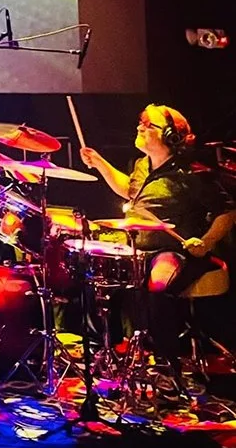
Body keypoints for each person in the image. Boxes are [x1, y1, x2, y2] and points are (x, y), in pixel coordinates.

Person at [81, 104, 236, 365]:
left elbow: (228, 212)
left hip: (175, 250)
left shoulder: (192, 175)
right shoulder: (142, 166)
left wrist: (207, 241)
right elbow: (131, 192)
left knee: (156, 285)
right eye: (140, 121)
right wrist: (100, 163)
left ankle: (167, 367)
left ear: (169, 136)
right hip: (139, 245)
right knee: (92, 269)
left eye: (147, 124)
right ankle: (113, 349)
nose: (139, 126)